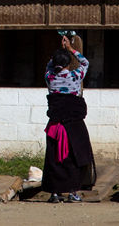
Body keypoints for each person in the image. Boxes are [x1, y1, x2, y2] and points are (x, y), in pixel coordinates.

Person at [43, 34, 95, 204]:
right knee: (74, 158)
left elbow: (49, 65)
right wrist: (71, 49)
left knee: (54, 159)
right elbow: (85, 62)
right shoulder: (75, 76)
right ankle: (73, 192)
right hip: (74, 126)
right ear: (67, 63)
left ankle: (55, 193)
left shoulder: (50, 78)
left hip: (55, 126)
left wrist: (58, 53)